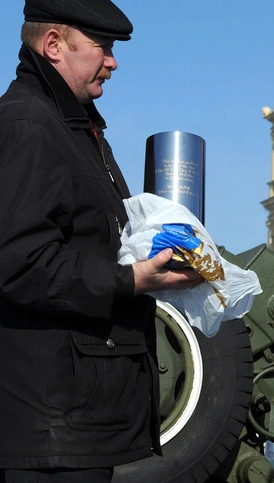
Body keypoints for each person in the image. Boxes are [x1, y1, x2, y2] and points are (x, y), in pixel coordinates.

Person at [0, 1, 203, 481]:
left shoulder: (72, 125)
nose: (112, 62)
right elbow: (20, 263)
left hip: (71, 422)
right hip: (49, 429)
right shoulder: (30, 125)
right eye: (103, 47)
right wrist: (131, 279)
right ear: (53, 46)